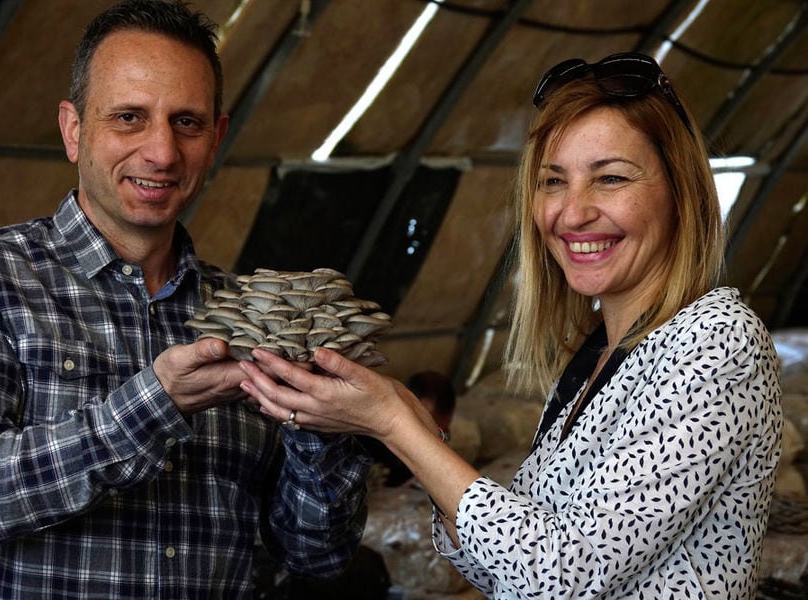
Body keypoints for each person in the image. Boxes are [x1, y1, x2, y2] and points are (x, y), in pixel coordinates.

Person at [237, 52, 783, 599]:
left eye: (610, 178)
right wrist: (406, 418)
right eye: (553, 181)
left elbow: (561, 577)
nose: (571, 213)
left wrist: (392, 425)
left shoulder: (716, 341)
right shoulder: (598, 358)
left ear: (680, 191)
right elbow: (496, 561)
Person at [0, 1, 370, 598]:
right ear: (74, 130)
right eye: (129, 117)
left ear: (217, 137)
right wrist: (157, 405)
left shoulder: (252, 314)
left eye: (188, 122)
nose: (162, 152)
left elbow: (317, 553)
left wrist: (320, 426)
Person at [360, 371, 456, 487]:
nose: (432, 441)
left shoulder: (436, 447)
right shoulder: (366, 438)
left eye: (440, 433)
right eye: (422, 425)